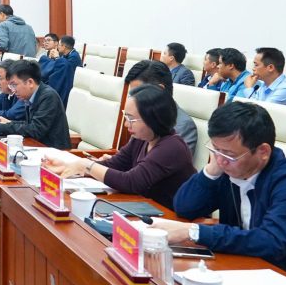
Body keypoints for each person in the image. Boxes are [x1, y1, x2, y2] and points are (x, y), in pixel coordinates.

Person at [152, 101, 286, 275]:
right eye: (216, 150)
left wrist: (194, 232)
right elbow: (184, 208)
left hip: (280, 276)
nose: (221, 160)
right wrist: (211, 171)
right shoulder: (227, 168)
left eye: (229, 154)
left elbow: (272, 241)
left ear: (263, 152)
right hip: (238, 266)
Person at [44, 84, 196, 209]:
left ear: (153, 119)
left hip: (171, 219)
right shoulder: (142, 137)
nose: (126, 124)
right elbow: (114, 164)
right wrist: (70, 166)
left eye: (131, 119)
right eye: (126, 116)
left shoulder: (172, 147)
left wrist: (86, 165)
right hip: (144, 209)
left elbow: (131, 182)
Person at [0, 60, 71, 150]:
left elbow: (36, 130)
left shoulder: (48, 96)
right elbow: (29, 124)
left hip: (54, 151)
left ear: (30, 82)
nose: (13, 90)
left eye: (14, 85)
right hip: (37, 146)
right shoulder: (31, 95)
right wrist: (8, 123)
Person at [124, 60, 198, 157]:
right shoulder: (140, 117)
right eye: (132, 94)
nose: (133, 99)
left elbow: (167, 165)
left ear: (160, 90)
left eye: (138, 94)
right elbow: (129, 157)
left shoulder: (183, 126)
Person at [38, 35, 81, 106]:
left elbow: (65, 69)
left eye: (59, 45)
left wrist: (57, 57)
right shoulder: (65, 54)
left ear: (64, 46)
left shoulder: (74, 57)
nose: (57, 47)